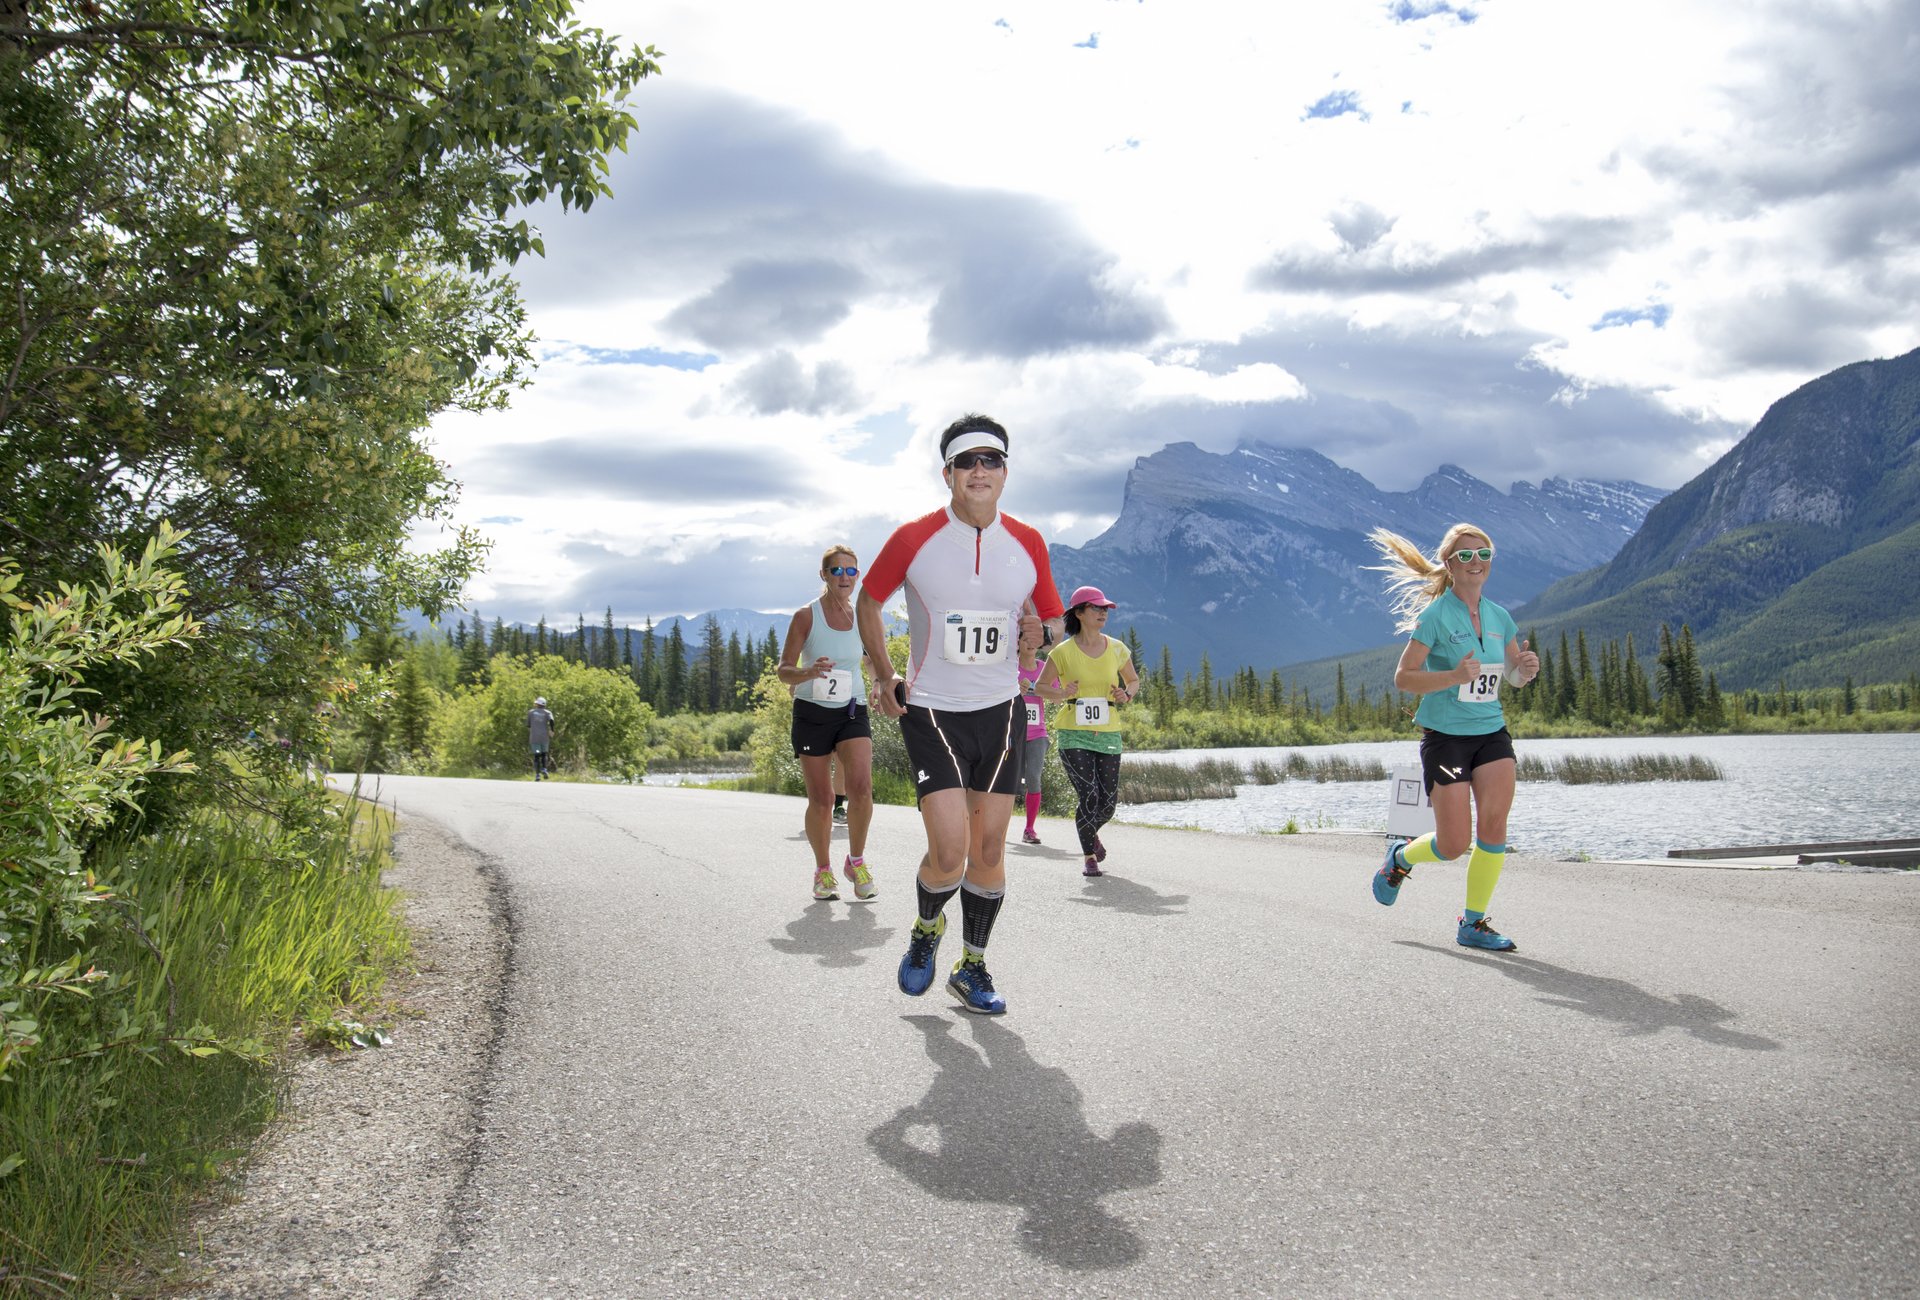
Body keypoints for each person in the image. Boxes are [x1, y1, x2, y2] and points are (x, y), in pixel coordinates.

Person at [859, 414, 1065, 1015]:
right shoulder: (914, 538)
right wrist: (882, 673)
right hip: (932, 712)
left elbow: (1051, 620)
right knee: (950, 851)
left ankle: (971, 967)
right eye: (967, 461)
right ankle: (928, 929)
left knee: (991, 852)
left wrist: (1042, 631)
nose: (980, 470)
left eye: (992, 460)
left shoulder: (1027, 542)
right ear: (947, 472)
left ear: (1005, 472)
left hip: (1001, 710)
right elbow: (871, 601)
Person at [1366, 523, 1540, 950]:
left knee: (1495, 825)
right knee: (1452, 843)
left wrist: (1525, 670)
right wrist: (1453, 676)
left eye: (1484, 554)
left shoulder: (1500, 617)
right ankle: (1401, 857)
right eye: (1465, 556)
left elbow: (1513, 675)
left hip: (1491, 732)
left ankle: (1473, 924)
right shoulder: (1435, 616)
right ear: (1449, 564)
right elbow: (1404, 678)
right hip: (1446, 738)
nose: (1476, 562)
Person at [778, 546, 878, 902]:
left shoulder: (862, 614)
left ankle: (856, 860)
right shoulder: (807, 616)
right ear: (823, 575)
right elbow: (783, 670)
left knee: (862, 788)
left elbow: (871, 659)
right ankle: (823, 870)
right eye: (836, 571)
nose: (845, 578)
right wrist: (808, 671)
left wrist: (880, 683)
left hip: (852, 710)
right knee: (821, 799)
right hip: (812, 712)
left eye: (851, 571)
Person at [1034, 586, 1140, 877]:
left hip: (1108, 733)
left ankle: (1090, 830)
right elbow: (1041, 687)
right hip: (1073, 733)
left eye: (1105, 608)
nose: (1103, 613)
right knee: (1089, 794)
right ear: (1079, 613)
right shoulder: (1062, 652)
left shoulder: (1118, 649)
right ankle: (1089, 856)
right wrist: (1061, 692)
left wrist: (1126, 695)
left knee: (1107, 804)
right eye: (1096, 608)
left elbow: (1133, 681)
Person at [1013, 617, 1049, 845]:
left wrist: (1043, 690)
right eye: (1026, 639)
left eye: (1034, 639)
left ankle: (1029, 829)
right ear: (1017, 642)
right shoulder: (1008, 667)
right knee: (1004, 783)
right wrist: (1017, 689)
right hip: (1010, 733)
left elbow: (1055, 694)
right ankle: (992, 825)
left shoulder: (1044, 668)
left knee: (1034, 779)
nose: (1030, 643)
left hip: (1037, 734)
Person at [526, 696, 556, 780]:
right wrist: (552, 730)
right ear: (544, 705)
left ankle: (537, 775)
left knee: (537, 756)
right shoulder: (548, 712)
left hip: (535, 738)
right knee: (544, 754)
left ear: (537, 704)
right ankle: (544, 769)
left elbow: (528, 725)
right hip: (544, 738)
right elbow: (552, 721)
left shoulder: (531, 712)